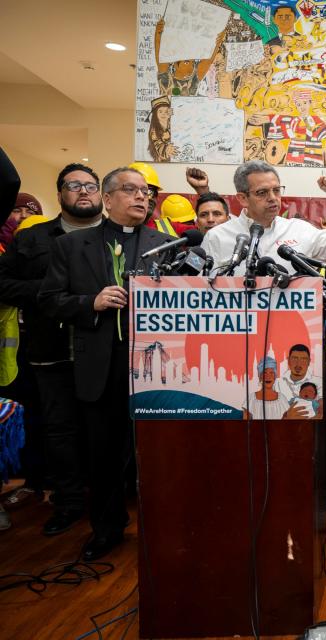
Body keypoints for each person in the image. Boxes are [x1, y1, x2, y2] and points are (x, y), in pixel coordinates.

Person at [39, 166, 174, 561]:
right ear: (108, 198)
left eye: (145, 192)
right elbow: (48, 300)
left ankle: (164, 528)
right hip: (100, 364)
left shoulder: (167, 246)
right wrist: (89, 303)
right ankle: (107, 528)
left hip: (157, 365)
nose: (141, 197)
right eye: (130, 190)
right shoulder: (72, 246)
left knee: (158, 454)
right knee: (103, 454)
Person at [0, 164, 103, 536]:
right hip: (51, 351)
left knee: (105, 431)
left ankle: (108, 500)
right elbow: (3, 283)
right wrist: (51, 294)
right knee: (59, 432)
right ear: (60, 193)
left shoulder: (116, 237)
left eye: (90, 185)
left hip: (106, 354)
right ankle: (68, 502)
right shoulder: (34, 238)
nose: (83, 192)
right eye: (73, 185)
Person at [201, 160, 326, 273]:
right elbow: (201, 289)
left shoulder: (299, 230)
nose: (272, 198)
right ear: (242, 198)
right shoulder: (217, 237)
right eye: (262, 193)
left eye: (276, 190)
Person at [128, 162, 190, 237]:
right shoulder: (112, 231)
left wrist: (203, 192)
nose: (149, 198)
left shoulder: (169, 227)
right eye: (143, 191)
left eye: (151, 192)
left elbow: (204, 229)